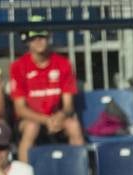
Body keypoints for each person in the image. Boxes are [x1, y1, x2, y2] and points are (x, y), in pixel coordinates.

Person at [7, 21, 85, 162]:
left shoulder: (63, 63)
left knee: (74, 125)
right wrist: (46, 120)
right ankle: (25, 173)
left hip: (56, 118)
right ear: (27, 41)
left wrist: (60, 116)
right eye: (34, 38)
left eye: (42, 37)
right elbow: (20, 109)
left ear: (48, 38)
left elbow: (68, 106)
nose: (39, 41)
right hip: (30, 120)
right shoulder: (18, 66)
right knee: (32, 127)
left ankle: (79, 170)